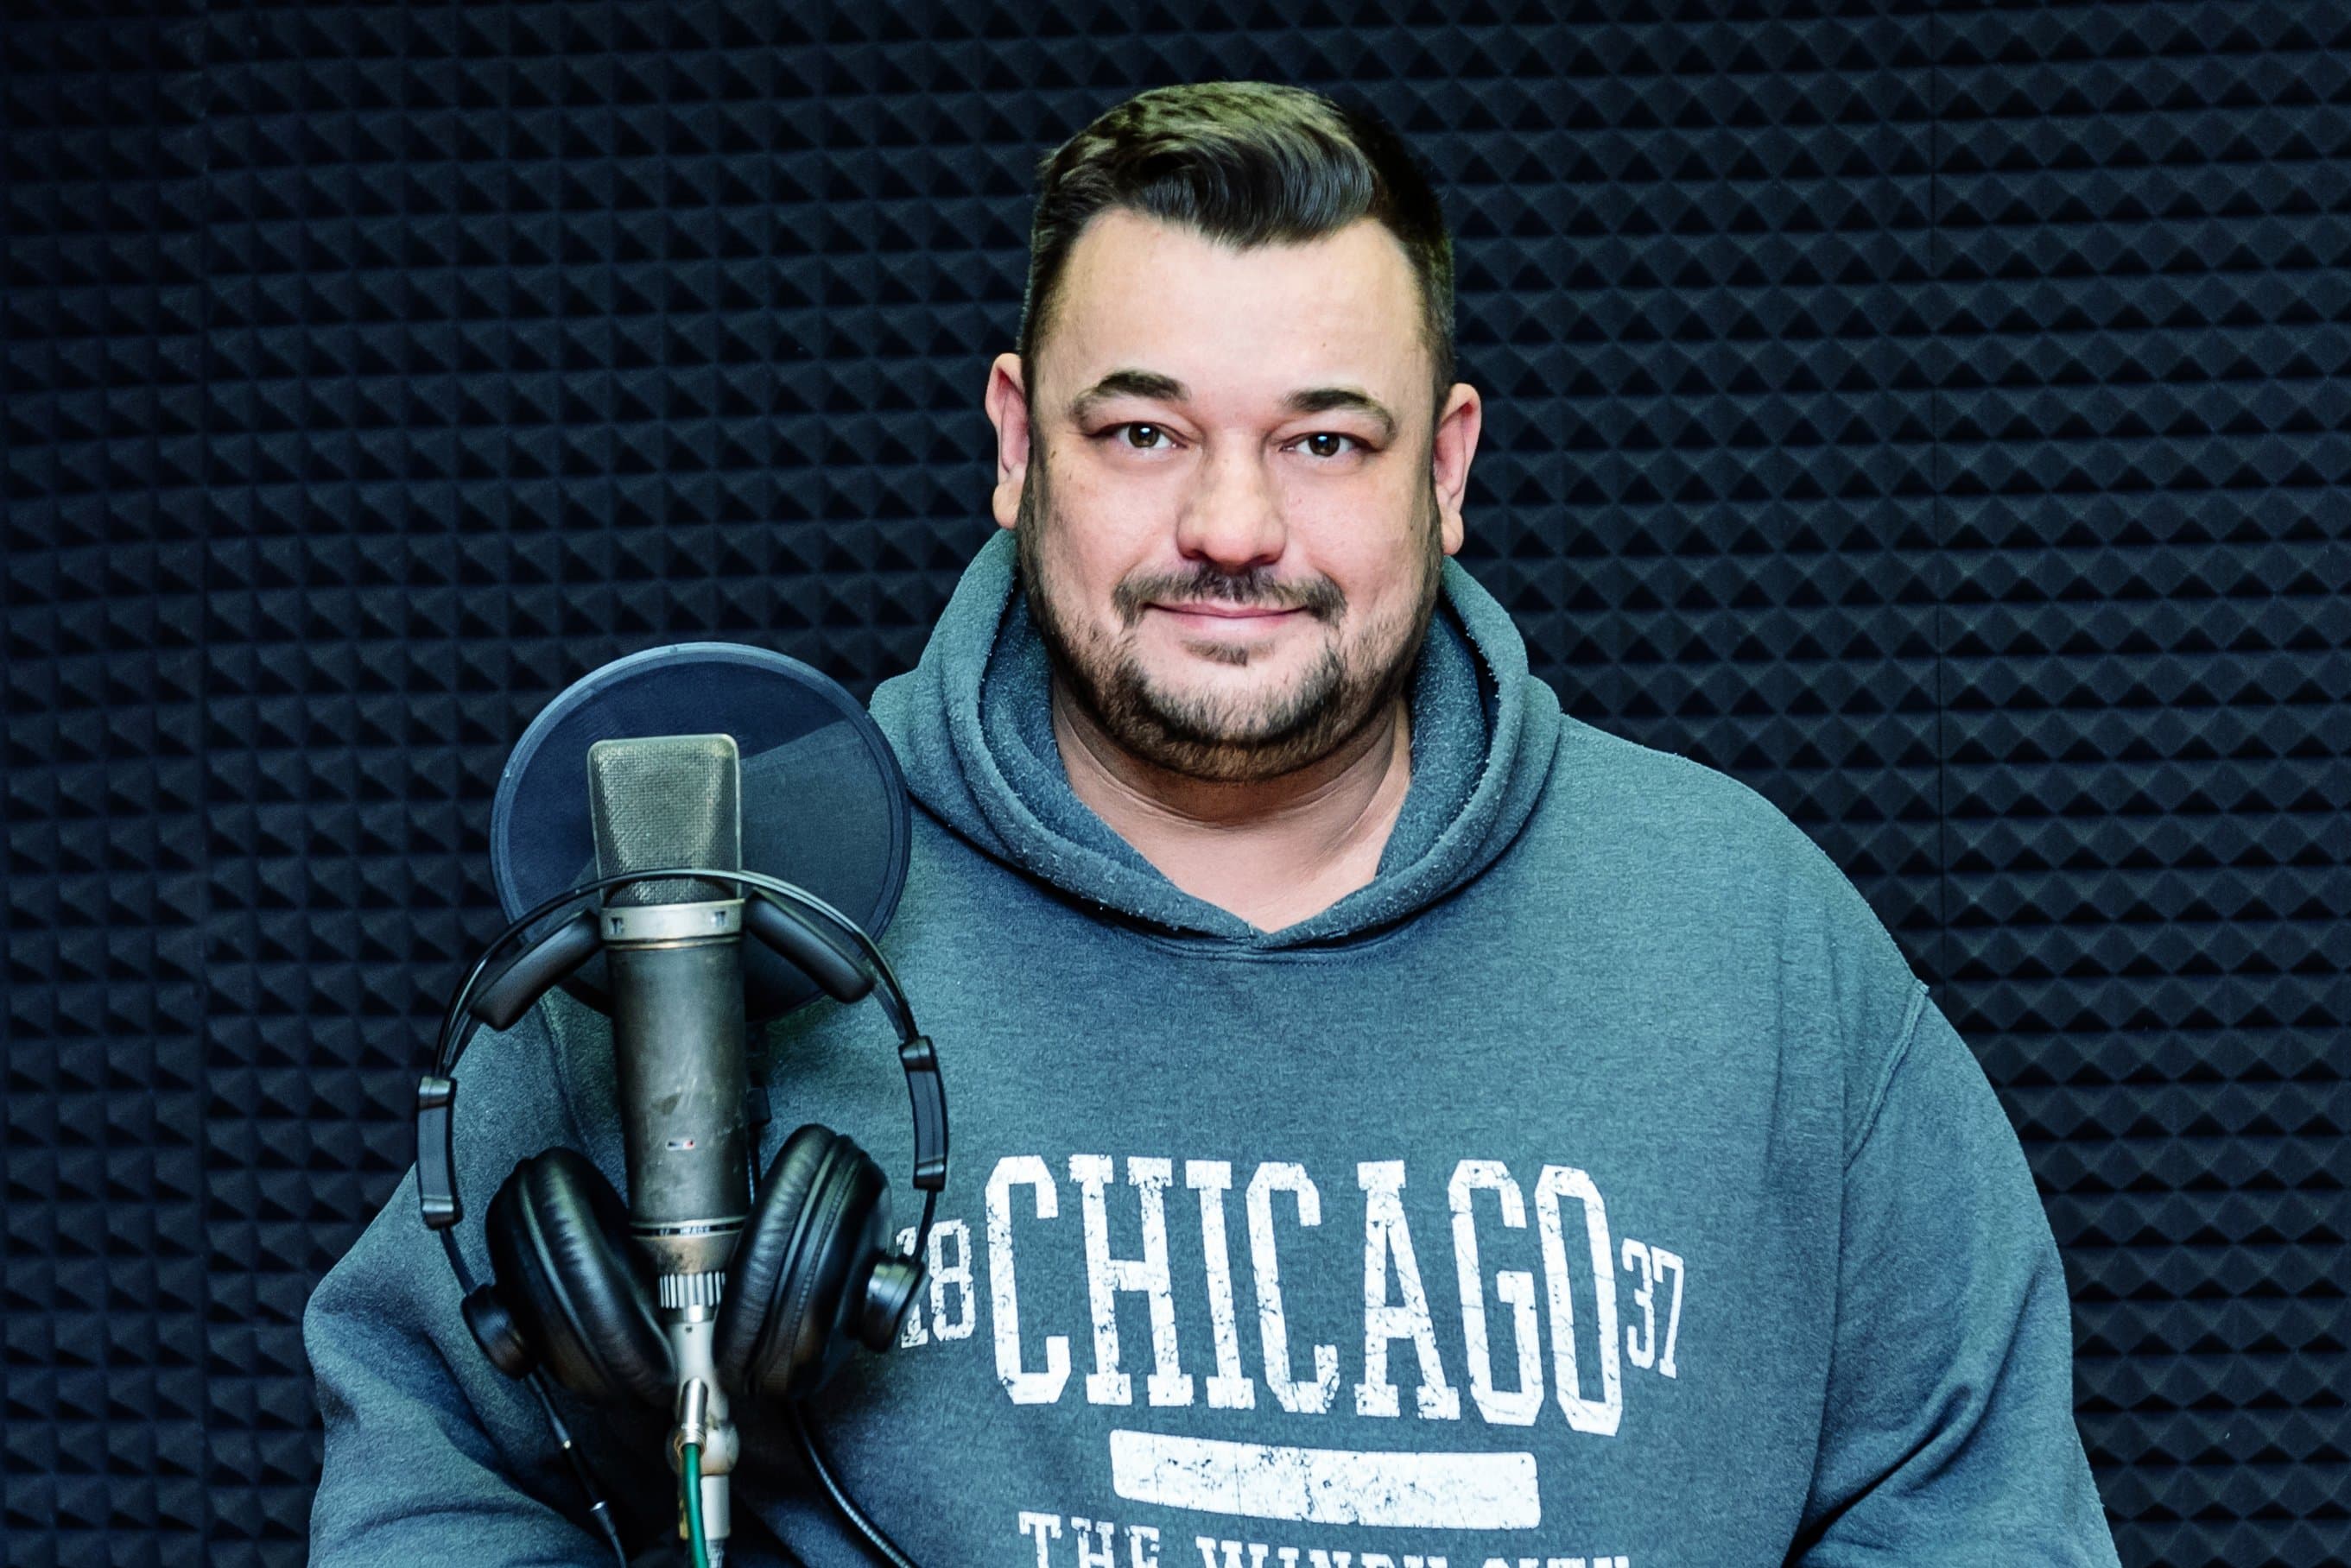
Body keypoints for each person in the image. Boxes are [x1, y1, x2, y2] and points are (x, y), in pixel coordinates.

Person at [307, 80, 2122, 1567]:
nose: (1232, 527)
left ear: (1445, 466)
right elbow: (427, 1475)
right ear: (1016, 442)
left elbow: (1974, 1509)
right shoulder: (732, 898)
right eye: (1143, 433)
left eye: (1322, 441)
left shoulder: (1751, 935)